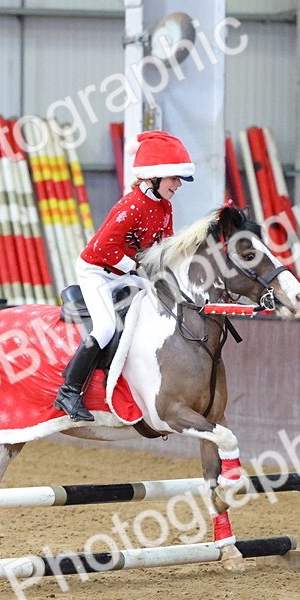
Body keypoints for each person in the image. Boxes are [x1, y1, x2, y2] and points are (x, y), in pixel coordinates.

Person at [53, 130, 194, 422]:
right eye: (174, 178)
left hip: (126, 272)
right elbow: (104, 247)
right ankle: (69, 390)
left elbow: (163, 249)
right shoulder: (130, 206)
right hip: (97, 271)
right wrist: (138, 268)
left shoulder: (165, 207)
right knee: (104, 327)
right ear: (154, 176)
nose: (178, 185)